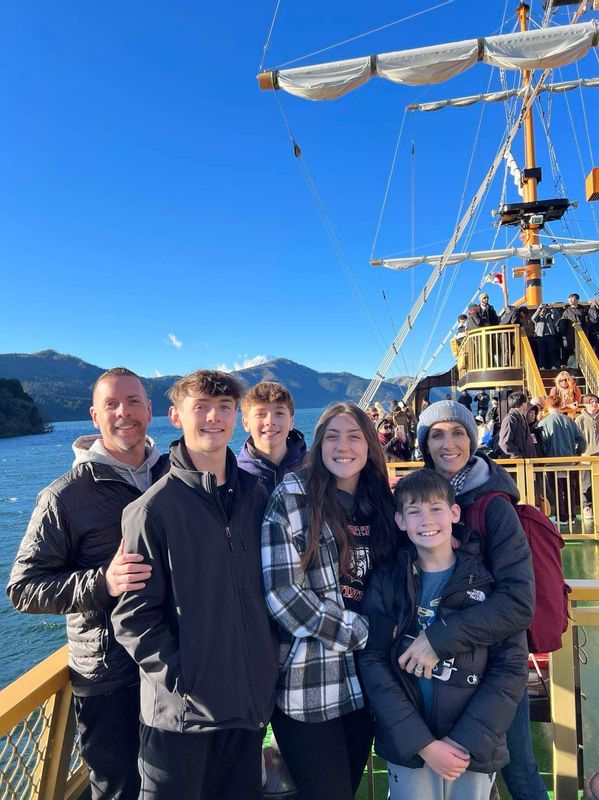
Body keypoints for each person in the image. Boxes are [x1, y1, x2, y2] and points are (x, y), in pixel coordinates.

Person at [112, 370, 278, 800]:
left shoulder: (257, 497)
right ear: (174, 416)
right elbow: (134, 619)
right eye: (200, 407)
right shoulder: (151, 510)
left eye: (224, 407)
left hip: (246, 710)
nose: (213, 418)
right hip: (181, 718)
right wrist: (185, 681)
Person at [7, 367, 169, 800]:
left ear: (151, 410)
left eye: (134, 401)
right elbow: (23, 588)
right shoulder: (64, 496)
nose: (124, 413)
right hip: (109, 673)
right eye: (112, 404)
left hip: (171, 661)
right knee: (120, 788)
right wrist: (104, 581)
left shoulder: (174, 474)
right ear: (94, 416)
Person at [400, 400, 545, 800]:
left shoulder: (494, 506)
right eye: (437, 434)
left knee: (518, 769)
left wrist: (439, 638)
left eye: (458, 432)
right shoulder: (419, 499)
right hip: (433, 673)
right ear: (424, 444)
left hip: (492, 663)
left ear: (473, 439)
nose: (449, 444)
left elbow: (519, 600)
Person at [360, 470, 528, 800]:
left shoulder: (487, 583)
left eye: (436, 508)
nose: (426, 520)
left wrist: (464, 740)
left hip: (471, 746)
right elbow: (373, 661)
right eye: (414, 511)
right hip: (410, 746)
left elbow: (509, 667)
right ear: (400, 521)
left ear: (454, 513)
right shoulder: (386, 581)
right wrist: (422, 743)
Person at [261, 403, 398, 800]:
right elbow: (283, 595)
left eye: (354, 436)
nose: (344, 446)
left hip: (371, 681)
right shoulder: (291, 498)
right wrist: (362, 632)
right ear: (319, 444)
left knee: (348, 785)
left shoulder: (382, 506)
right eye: (333, 437)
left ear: (370, 445)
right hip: (311, 685)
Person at [238, 381, 306, 495]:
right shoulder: (235, 476)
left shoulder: (314, 467)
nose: (270, 422)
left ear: (291, 422)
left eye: (279, 413)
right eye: (260, 414)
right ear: (246, 423)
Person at [539, 394, 586, 526]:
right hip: (569, 461)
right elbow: (582, 441)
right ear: (560, 405)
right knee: (570, 488)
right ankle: (571, 515)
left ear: (548, 406)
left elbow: (542, 444)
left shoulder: (544, 422)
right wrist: (577, 454)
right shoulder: (569, 421)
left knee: (556, 490)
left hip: (551, 462)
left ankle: (561, 516)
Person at [576, 394, 599, 519]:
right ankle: (587, 506)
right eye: (591, 402)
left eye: (595, 402)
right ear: (585, 404)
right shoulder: (580, 419)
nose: (594, 404)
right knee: (586, 484)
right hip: (586, 457)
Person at [498, 392, 538, 459]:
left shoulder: (522, 417)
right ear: (522, 403)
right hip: (519, 463)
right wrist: (517, 455)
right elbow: (504, 442)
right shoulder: (510, 419)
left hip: (527, 461)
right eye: (526, 402)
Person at [558, 293, 587, 366]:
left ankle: (579, 365)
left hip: (582, 334)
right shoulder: (566, 312)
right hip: (570, 335)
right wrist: (563, 336)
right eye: (569, 298)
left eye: (572, 298)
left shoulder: (584, 310)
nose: (570, 300)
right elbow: (563, 324)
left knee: (582, 351)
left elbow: (587, 323)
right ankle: (570, 365)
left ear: (577, 300)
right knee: (571, 351)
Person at [531, 305, 560, 369]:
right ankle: (541, 366)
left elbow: (557, 316)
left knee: (552, 352)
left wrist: (552, 308)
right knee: (541, 352)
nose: (543, 311)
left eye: (544, 310)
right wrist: (539, 308)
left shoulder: (549, 316)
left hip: (550, 336)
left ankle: (553, 366)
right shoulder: (537, 318)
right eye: (541, 310)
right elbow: (533, 318)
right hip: (540, 337)